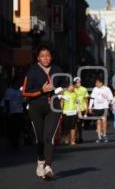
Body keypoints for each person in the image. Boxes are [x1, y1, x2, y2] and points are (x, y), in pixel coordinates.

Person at [22, 44, 65, 179]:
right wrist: (41, 91)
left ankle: (48, 167)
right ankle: (40, 160)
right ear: (38, 58)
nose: (45, 58)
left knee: (49, 137)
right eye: (42, 56)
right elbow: (25, 92)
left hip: (54, 107)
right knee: (40, 138)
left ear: (51, 57)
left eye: (48, 56)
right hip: (36, 107)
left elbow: (64, 85)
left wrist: (61, 90)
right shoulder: (32, 72)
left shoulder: (58, 70)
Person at [89, 78, 113, 143]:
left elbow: (111, 98)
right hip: (96, 108)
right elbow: (92, 98)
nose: (96, 84)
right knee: (98, 122)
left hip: (104, 107)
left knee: (104, 121)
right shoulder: (94, 89)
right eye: (95, 83)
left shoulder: (106, 89)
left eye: (97, 83)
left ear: (101, 83)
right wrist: (90, 107)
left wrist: (106, 98)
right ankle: (99, 137)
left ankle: (104, 135)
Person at [73, 77, 89, 143]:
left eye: (79, 82)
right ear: (74, 83)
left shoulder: (84, 89)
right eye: (77, 82)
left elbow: (86, 99)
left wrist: (87, 108)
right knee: (75, 123)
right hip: (73, 108)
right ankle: (75, 138)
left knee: (79, 123)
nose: (78, 83)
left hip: (82, 108)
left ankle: (80, 137)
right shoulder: (72, 89)